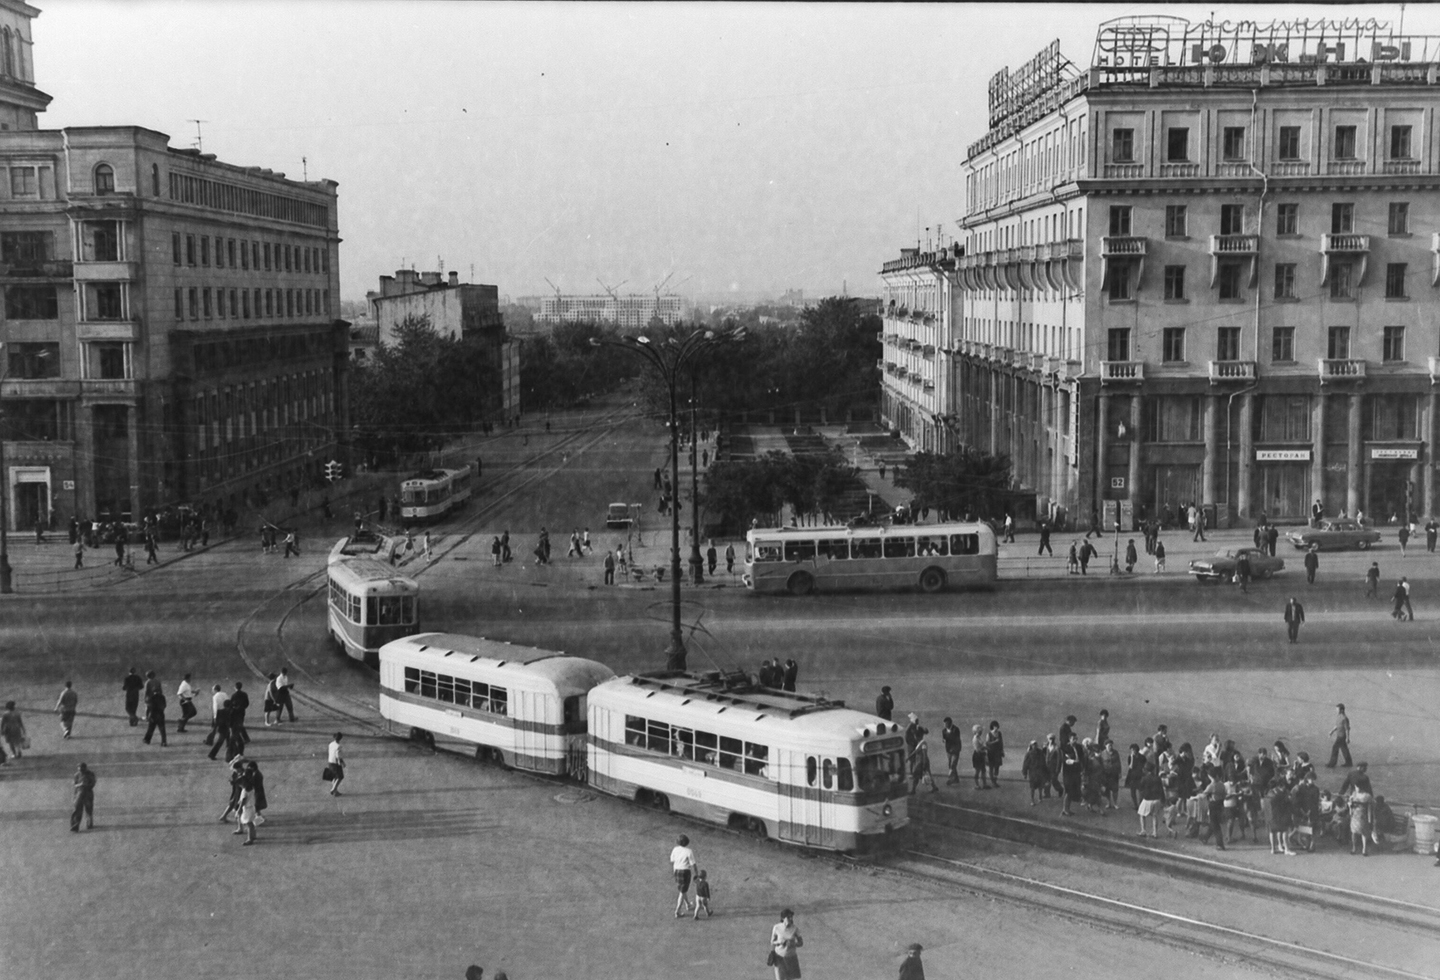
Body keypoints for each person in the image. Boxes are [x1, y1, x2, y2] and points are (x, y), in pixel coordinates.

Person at [769, 909, 803, 980]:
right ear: (783, 918)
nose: (790, 919)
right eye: (788, 917)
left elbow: (801, 943)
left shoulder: (795, 928)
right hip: (779, 957)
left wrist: (794, 944)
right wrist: (779, 942)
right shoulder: (777, 927)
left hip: (791, 957)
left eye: (791, 917)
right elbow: (772, 942)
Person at [670, 834, 696, 918]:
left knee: (682, 890)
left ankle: (688, 904)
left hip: (676, 871)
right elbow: (693, 864)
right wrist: (696, 873)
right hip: (685, 872)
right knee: (682, 892)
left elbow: (672, 860)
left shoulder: (675, 849)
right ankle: (677, 911)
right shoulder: (689, 851)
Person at [70, 762, 96, 832]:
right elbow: (74, 784)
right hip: (79, 793)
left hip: (88, 792)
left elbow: (93, 783)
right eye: (79, 769)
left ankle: (89, 823)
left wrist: (87, 785)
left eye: (82, 769)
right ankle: (75, 826)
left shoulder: (90, 774)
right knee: (77, 809)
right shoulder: (76, 775)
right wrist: (80, 785)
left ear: (85, 768)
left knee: (88, 809)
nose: (81, 771)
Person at [1022, 739, 1047, 804]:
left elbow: (1044, 762)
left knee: (1040, 787)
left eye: (1035, 744)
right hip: (1032, 773)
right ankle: (1032, 800)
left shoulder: (1040, 752)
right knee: (1032, 787)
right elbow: (1025, 764)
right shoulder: (1029, 754)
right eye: (1033, 745)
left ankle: (1040, 797)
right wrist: (1025, 773)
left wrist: (1045, 772)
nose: (1034, 746)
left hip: (1040, 772)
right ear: (1031, 746)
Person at [941, 717, 963, 786]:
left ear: (950, 723)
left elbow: (956, 739)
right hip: (948, 750)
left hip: (955, 749)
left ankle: (951, 779)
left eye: (946, 724)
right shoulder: (944, 731)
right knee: (950, 764)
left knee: (953, 764)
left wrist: (948, 737)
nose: (945, 725)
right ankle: (956, 779)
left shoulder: (955, 729)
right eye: (944, 724)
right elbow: (944, 738)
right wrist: (944, 740)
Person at [970, 724, 990, 789]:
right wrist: (985, 750)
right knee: (978, 771)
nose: (981, 732)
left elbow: (981, 746)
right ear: (976, 732)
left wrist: (985, 748)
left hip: (980, 755)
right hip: (978, 755)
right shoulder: (975, 739)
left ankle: (984, 784)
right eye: (979, 731)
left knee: (983, 770)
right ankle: (977, 785)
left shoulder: (978, 737)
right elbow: (978, 749)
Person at [985, 719, 1005, 786]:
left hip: (998, 753)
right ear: (992, 727)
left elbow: (1001, 742)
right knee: (991, 767)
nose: (996, 727)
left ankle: (995, 780)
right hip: (991, 752)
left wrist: (1002, 750)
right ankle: (993, 781)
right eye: (995, 726)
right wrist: (995, 742)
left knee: (997, 767)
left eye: (997, 726)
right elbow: (987, 743)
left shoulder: (999, 733)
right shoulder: (989, 734)